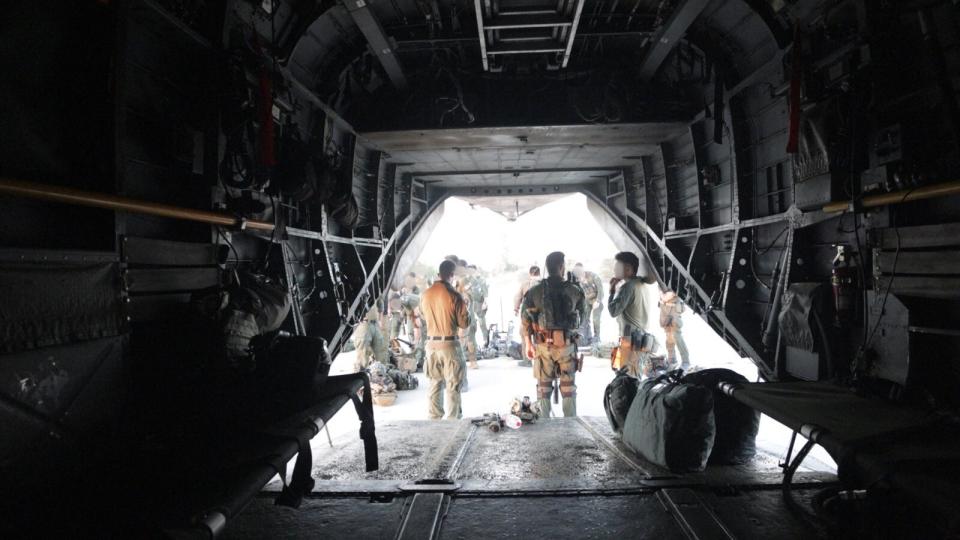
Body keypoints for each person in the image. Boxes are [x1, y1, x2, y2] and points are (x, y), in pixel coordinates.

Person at [520, 252, 589, 417]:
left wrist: (528, 344)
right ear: (561, 267)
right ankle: (570, 425)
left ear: (547, 267)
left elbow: (525, 320)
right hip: (567, 346)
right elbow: (583, 318)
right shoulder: (575, 290)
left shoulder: (534, 291)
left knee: (543, 388)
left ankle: (544, 426)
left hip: (544, 347)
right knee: (568, 388)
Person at [420, 260, 471, 419]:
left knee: (434, 384)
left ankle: (434, 421)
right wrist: (466, 307)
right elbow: (464, 323)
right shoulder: (454, 295)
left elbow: (422, 316)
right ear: (451, 275)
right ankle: (453, 423)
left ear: (438, 274)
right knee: (453, 386)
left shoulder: (426, 294)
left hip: (431, 346)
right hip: (449, 345)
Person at [607, 251, 651, 378]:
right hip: (641, 339)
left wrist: (612, 291)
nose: (614, 269)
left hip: (630, 340)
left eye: (617, 266)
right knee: (635, 375)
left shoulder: (627, 287)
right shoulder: (641, 284)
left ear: (628, 269)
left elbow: (613, 311)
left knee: (627, 379)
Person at [572, 263, 604, 344]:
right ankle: (587, 337)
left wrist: (598, 301)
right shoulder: (576, 278)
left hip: (596, 299)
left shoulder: (593, 276)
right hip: (586, 300)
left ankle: (597, 337)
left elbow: (601, 291)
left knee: (596, 319)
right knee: (585, 318)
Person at [659, 290, 690, 369]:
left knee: (676, 334)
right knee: (668, 334)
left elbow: (675, 290)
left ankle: (685, 361)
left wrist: (665, 296)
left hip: (674, 306)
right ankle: (672, 359)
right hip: (664, 305)